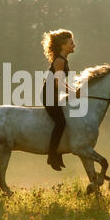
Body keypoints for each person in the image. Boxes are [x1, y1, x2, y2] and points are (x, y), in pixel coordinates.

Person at [41, 29, 80, 171]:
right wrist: (73, 92)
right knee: (61, 122)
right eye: (71, 43)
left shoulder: (63, 60)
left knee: (65, 120)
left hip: (55, 96)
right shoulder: (59, 61)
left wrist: (73, 91)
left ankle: (57, 153)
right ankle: (52, 156)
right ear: (63, 46)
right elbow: (58, 83)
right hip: (49, 96)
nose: (74, 45)